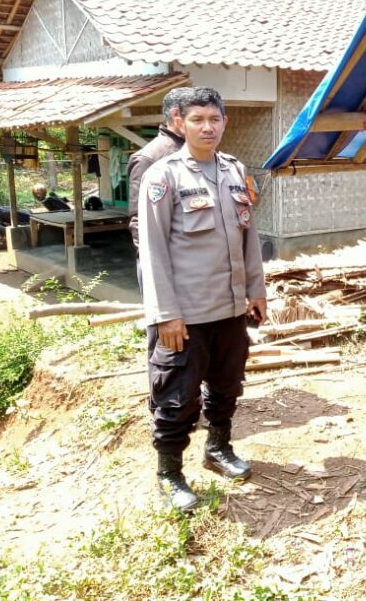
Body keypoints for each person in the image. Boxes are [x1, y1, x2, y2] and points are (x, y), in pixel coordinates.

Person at [138, 87, 266, 511]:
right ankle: (169, 473)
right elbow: (152, 251)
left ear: (224, 122)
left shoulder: (234, 171)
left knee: (227, 387)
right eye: (197, 120)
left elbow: (249, 238)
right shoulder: (164, 176)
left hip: (230, 309)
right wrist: (166, 315)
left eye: (214, 119)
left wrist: (255, 291)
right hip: (186, 315)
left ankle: (218, 448)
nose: (208, 127)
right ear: (180, 123)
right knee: (177, 397)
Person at [128, 87, 186, 257]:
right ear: (177, 116)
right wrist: (153, 266)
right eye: (198, 118)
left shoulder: (197, 152)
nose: (207, 127)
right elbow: (139, 218)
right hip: (167, 260)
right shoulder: (150, 158)